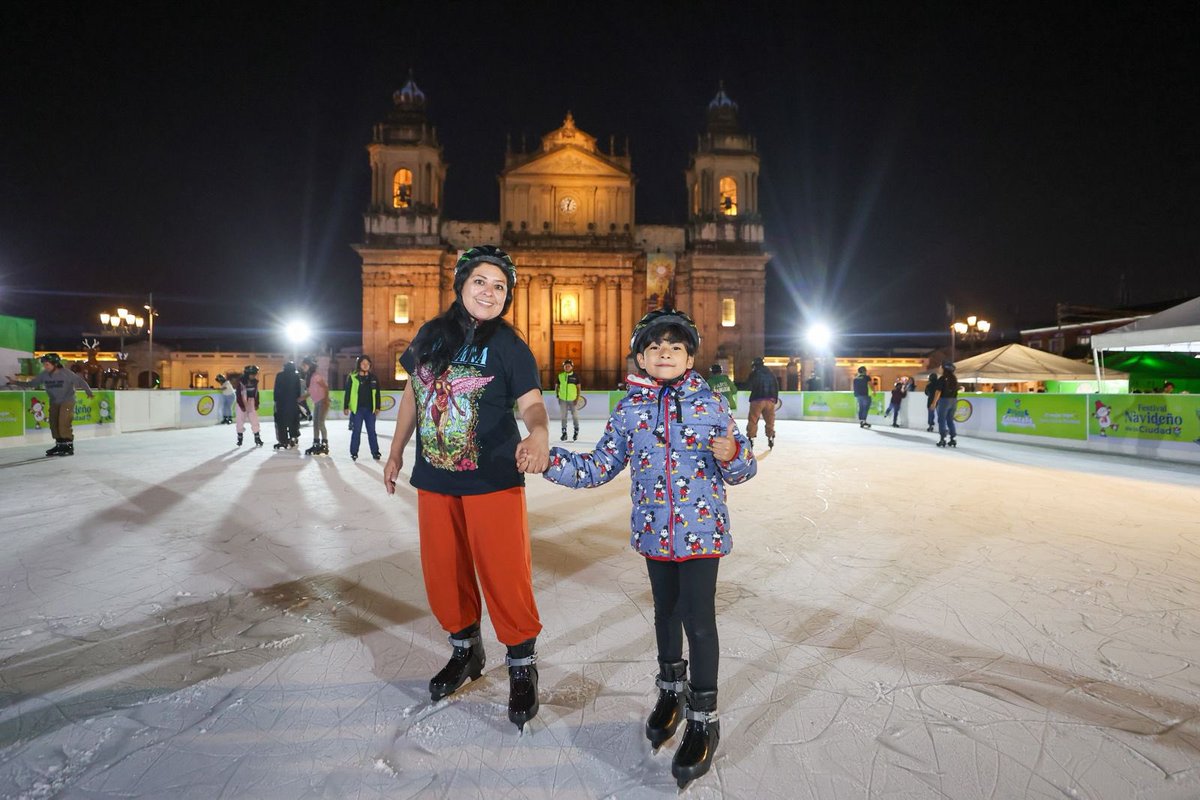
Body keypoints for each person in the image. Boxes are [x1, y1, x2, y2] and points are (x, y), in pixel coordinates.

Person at [541, 308, 756, 789]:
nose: (664, 353)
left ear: (690, 357)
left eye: (675, 347)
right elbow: (599, 465)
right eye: (655, 347)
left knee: (699, 620)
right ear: (640, 357)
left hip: (702, 532)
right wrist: (548, 461)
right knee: (664, 613)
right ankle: (671, 693)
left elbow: (742, 472)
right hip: (656, 531)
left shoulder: (711, 405)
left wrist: (736, 455)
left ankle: (703, 716)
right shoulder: (629, 410)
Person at [382, 245, 550, 730]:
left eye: (500, 287)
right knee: (444, 569)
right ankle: (466, 651)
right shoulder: (430, 337)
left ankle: (521, 664)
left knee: (504, 571)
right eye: (481, 281)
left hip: (492, 476)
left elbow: (533, 404)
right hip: (435, 475)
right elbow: (414, 393)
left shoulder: (509, 346)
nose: (489, 292)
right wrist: (396, 451)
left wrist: (538, 433)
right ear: (461, 286)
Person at [6, 353, 93, 457]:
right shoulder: (44, 374)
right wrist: (14, 382)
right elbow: (32, 384)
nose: (45, 367)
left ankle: (68, 446)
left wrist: (89, 392)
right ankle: (59, 445)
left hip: (67, 400)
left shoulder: (66, 373)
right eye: (44, 364)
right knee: (53, 423)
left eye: (47, 364)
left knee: (63, 422)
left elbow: (80, 381)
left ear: (55, 364)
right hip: (54, 401)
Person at [343, 355, 382, 461]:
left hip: (370, 410)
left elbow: (377, 393)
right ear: (359, 364)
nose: (365, 365)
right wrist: (346, 406)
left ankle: (375, 452)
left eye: (367, 364)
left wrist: (378, 407)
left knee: (372, 432)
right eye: (363, 363)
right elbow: (347, 392)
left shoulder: (373, 378)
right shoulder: (352, 377)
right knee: (356, 431)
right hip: (357, 409)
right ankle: (354, 452)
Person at [745, 357, 779, 449]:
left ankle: (751, 438)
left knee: (753, 420)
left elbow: (749, 386)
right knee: (770, 420)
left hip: (757, 399)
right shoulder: (771, 373)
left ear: (754, 365)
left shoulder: (754, 373)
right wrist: (775, 398)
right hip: (770, 399)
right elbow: (776, 385)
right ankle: (770, 436)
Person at [301, 356, 330, 455]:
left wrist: (326, 400)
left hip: (322, 401)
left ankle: (325, 445)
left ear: (309, 365)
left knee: (320, 423)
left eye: (304, 365)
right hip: (317, 402)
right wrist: (301, 398)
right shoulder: (309, 377)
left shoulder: (316, 376)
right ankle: (316, 443)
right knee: (315, 423)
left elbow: (325, 387)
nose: (302, 367)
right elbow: (310, 392)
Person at [273, 361, 302, 450]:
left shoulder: (279, 375)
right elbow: (298, 390)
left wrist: (276, 400)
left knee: (281, 422)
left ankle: (283, 440)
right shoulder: (296, 376)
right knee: (293, 421)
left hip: (281, 403)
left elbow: (276, 389)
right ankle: (293, 437)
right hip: (292, 402)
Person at [234, 365, 264, 447]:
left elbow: (256, 393)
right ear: (247, 374)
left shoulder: (255, 382)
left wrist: (257, 403)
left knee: (254, 420)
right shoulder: (241, 382)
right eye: (252, 374)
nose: (254, 376)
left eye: (255, 374)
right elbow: (238, 394)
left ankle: (257, 438)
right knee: (240, 420)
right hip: (242, 403)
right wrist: (242, 405)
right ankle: (240, 438)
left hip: (251, 402)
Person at [931, 361, 960, 447]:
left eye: (941, 367)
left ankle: (942, 438)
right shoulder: (954, 379)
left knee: (942, 419)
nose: (940, 369)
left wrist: (934, 402)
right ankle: (952, 438)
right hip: (954, 401)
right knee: (950, 420)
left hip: (944, 401)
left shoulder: (942, 379)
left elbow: (938, 391)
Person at [556, 358, 581, 441]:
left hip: (573, 400)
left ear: (572, 367)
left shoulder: (576, 376)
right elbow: (557, 386)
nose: (567, 367)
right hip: (563, 399)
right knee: (563, 417)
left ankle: (576, 432)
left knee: (575, 416)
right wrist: (558, 395)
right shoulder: (560, 376)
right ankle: (564, 433)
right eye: (565, 366)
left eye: (568, 366)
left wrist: (577, 398)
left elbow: (578, 388)